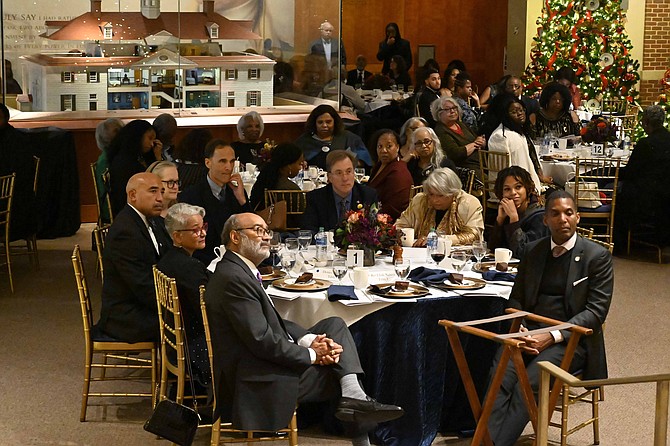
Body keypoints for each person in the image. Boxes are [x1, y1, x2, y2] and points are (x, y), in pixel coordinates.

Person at [205, 212, 404, 444]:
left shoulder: (238, 269)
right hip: (254, 378)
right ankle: (357, 408)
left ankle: (354, 397)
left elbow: (274, 324)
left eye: (266, 231)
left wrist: (308, 340)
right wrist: (313, 355)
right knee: (341, 372)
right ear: (235, 237)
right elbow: (261, 340)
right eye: (257, 231)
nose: (266, 237)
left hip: (259, 361)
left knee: (335, 324)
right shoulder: (233, 278)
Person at [487, 190, 613, 446]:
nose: (562, 219)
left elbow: (595, 312)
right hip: (526, 333)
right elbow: (516, 299)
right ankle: (489, 441)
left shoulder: (596, 257)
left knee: (530, 382)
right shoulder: (533, 251)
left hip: (569, 340)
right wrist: (520, 326)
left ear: (578, 217)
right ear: (545, 220)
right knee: (498, 376)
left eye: (568, 213)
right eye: (555, 214)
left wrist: (552, 335)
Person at [96, 172, 170, 343]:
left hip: (141, 304)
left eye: (162, 191)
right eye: (153, 191)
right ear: (133, 195)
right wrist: (178, 304)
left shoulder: (154, 221)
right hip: (126, 316)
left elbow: (168, 260)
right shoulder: (126, 232)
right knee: (194, 320)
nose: (160, 198)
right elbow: (142, 284)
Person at [156, 203, 211, 388]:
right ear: (177, 236)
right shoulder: (189, 267)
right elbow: (207, 311)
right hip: (196, 350)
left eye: (203, 227)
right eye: (195, 230)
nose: (202, 233)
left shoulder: (169, 259)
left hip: (176, 345)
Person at [179, 139, 251, 265]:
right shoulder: (191, 195)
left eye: (232, 161)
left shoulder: (236, 192)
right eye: (222, 161)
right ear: (208, 163)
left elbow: (250, 229)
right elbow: (190, 242)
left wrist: (242, 200)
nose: (228, 167)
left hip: (238, 260)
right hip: (206, 262)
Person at [615, 105, 670, 248]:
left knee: (613, 190)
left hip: (646, 197)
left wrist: (612, 173)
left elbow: (630, 172)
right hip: (665, 194)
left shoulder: (646, 144)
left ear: (646, 122)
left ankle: (619, 241)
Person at [396, 167, 483, 246]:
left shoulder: (469, 203)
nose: (435, 200)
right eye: (431, 194)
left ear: (453, 193)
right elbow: (401, 224)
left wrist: (441, 240)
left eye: (441, 195)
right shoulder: (420, 200)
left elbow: (474, 235)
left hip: (455, 256)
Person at [302, 150, 377, 233]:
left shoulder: (368, 195)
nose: (345, 178)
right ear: (329, 177)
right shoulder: (316, 198)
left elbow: (375, 232)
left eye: (349, 171)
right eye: (339, 173)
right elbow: (308, 231)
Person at [487, 94, 547, 193]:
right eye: (514, 112)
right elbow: (502, 171)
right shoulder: (500, 136)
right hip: (511, 190)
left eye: (521, 110)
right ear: (506, 115)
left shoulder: (519, 132)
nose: (520, 114)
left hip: (525, 185)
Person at [489, 166, 549, 259]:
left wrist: (514, 220)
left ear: (527, 188)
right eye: (507, 189)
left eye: (518, 187)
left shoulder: (539, 216)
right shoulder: (507, 211)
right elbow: (493, 249)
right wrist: (500, 220)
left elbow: (523, 253)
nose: (513, 193)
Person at [107, 120, 163, 217]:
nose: (151, 144)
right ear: (137, 137)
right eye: (149, 139)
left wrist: (157, 158)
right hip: (129, 209)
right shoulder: (123, 162)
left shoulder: (140, 157)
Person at [294, 104, 372, 170]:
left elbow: (363, 161)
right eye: (320, 122)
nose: (324, 125)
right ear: (314, 124)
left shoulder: (349, 138)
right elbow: (294, 163)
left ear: (335, 122)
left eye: (328, 122)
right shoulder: (304, 141)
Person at [433, 96, 485, 178]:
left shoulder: (460, 124)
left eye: (454, 108)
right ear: (439, 113)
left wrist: (481, 141)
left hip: (480, 162)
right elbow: (456, 153)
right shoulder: (441, 130)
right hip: (465, 169)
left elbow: (477, 138)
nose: (453, 111)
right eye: (448, 109)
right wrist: (475, 144)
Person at [367, 129, 413, 220]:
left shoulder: (399, 172)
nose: (383, 150)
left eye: (389, 146)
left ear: (397, 147)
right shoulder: (379, 165)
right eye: (380, 146)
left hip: (391, 222)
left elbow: (395, 207)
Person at [249, 142, 304, 211]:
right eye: (299, 164)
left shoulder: (265, 180)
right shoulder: (291, 189)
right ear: (289, 165)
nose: (300, 168)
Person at [94, 118, 125, 224]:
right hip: (112, 209)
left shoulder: (118, 156)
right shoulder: (106, 160)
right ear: (106, 138)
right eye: (117, 131)